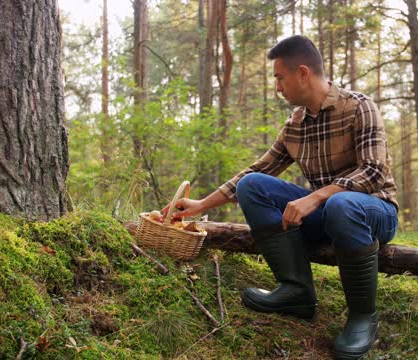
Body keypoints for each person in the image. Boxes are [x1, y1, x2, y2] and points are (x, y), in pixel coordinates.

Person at [162, 35, 398, 359]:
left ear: (302, 73)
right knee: (253, 185)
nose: (277, 86)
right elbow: (257, 170)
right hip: (328, 217)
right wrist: (200, 205)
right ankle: (297, 292)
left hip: (375, 214)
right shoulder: (295, 125)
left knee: (342, 203)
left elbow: (374, 173)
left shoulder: (359, 107)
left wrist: (316, 198)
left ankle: (362, 316)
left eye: (279, 77)